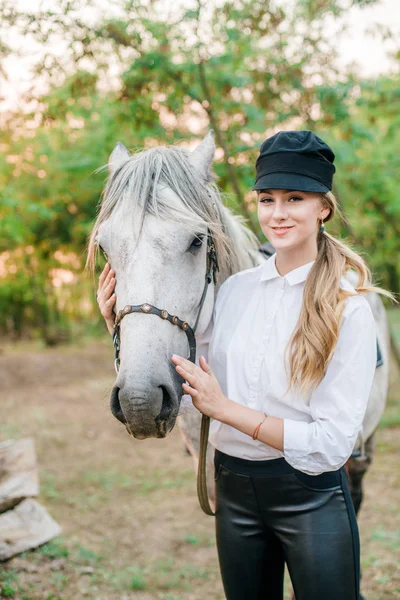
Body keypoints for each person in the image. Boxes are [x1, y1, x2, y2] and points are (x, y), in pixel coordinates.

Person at [96, 131, 392, 600]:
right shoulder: (234, 292)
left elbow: (332, 445)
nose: (278, 213)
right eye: (267, 198)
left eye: (295, 198)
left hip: (311, 498)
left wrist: (228, 411)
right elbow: (181, 350)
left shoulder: (346, 306)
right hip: (235, 495)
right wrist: (119, 319)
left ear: (324, 208)